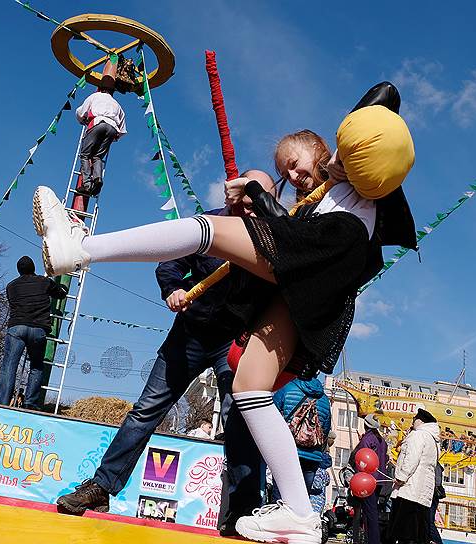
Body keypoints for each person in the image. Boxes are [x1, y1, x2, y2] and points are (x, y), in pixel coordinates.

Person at [35, 83, 416, 544]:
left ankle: (78, 249)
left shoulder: (352, 182)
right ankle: (299, 512)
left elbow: (375, 116)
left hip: (317, 258)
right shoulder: (327, 193)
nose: (297, 174)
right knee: (248, 386)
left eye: (296, 164)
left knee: (207, 230)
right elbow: (377, 105)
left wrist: (277, 186)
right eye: (284, 171)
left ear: (324, 149)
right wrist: (177, 287)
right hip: (273, 295)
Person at [55, 171, 277, 537]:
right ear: (235, 195)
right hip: (189, 335)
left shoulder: (270, 240)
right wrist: (173, 288)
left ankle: (244, 510)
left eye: (260, 199)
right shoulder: (209, 225)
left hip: (233, 341)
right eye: (247, 198)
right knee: (146, 410)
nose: (252, 206)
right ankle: (102, 487)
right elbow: (170, 262)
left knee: (240, 417)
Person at [0, 256, 68, 410]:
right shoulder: (44, 281)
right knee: (36, 366)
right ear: (33, 268)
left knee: (9, 366)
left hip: (17, 328)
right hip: (38, 329)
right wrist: (63, 288)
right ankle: (30, 402)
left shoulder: (11, 286)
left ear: (18, 271)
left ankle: (2, 402)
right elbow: (60, 293)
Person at [271, 376, 332, 509]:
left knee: (280, 496)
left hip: (287, 450)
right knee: (302, 499)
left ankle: (278, 525)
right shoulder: (325, 400)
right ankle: (296, 526)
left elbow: (271, 414)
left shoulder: (287, 388)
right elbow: (325, 430)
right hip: (313, 456)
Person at [387, 409, 440, 544]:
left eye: (414, 420)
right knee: (418, 534)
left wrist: (400, 477)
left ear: (421, 421)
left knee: (404, 533)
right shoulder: (433, 440)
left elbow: (411, 459)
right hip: (422, 494)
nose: (412, 423)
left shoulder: (418, 435)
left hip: (409, 490)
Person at [75, 60, 126, 197]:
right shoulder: (117, 104)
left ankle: (86, 185)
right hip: (112, 128)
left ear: (100, 88)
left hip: (97, 123)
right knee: (98, 156)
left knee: (85, 155)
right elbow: (122, 128)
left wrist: (82, 121)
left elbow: (80, 112)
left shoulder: (94, 96)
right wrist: (113, 137)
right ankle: (98, 178)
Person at [351, 414, 388, 544]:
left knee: (369, 513)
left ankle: (373, 540)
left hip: (367, 481)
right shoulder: (381, 440)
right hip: (380, 480)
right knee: (372, 511)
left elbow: (361, 460)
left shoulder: (367, 440)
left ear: (365, 424)